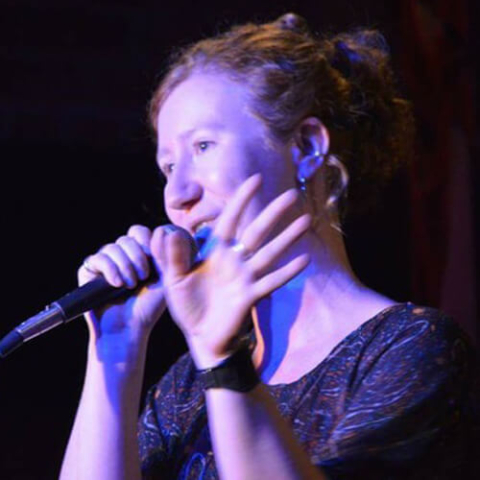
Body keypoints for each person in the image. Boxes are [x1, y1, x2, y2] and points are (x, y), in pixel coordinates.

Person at [59, 13, 477, 480]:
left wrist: (223, 364)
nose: (178, 195)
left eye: (203, 147)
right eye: (168, 167)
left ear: (306, 146)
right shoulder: (185, 387)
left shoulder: (410, 348)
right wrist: (116, 352)